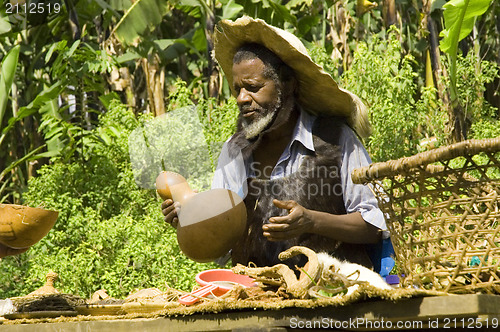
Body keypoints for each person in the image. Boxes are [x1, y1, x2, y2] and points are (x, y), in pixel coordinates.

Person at [163, 16, 391, 271]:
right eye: (236, 89)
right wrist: (193, 220)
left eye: (252, 87)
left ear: (287, 84)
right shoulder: (235, 150)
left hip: (332, 291)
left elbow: (376, 225)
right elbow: (224, 246)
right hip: (259, 297)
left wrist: (313, 221)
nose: (241, 98)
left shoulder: (336, 139)